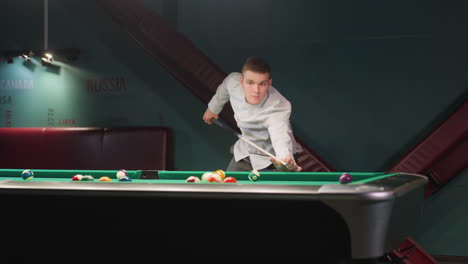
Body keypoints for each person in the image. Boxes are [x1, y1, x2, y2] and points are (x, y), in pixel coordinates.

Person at [202, 56, 302, 172]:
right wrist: (213, 109)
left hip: (275, 160)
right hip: (246, 152)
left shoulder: (278, 107)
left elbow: (280, 134)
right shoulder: (233, 82)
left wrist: (284, 157)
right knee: (228, 186)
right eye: (250, 82)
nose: (256, 90)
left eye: (262, 84)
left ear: (269, 83)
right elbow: (224, 89)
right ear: (241, 81)